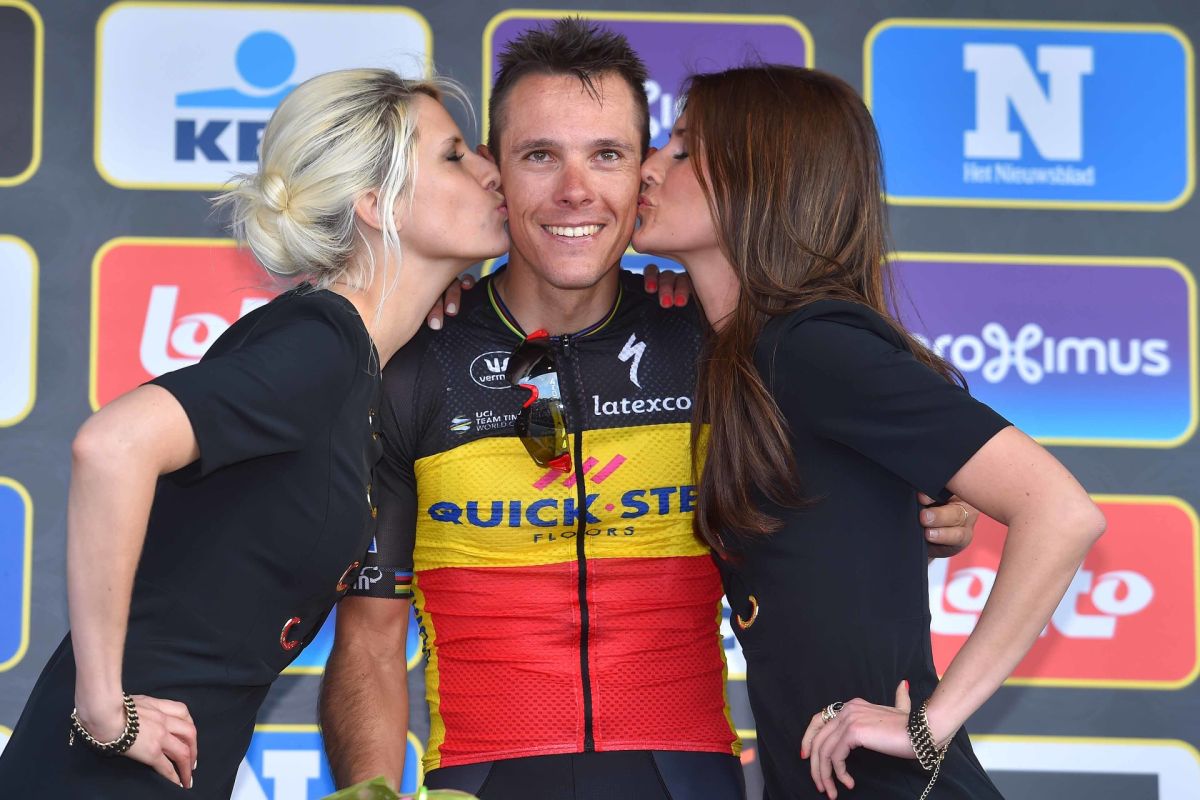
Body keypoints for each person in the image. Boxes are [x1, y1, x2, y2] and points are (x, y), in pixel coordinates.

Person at [320, 20, 979, 800]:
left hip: (685, 773)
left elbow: (877, 445)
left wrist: (931, 498)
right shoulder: (412, 365)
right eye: (540, 156)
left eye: (607, 155)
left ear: (645, 172)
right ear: (495, 173)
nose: (575, 190)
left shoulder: (722, 344)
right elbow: (369, 641)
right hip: (483, 774)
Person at [0, 68, 507, 798]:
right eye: (454, 156)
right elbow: (112, 446)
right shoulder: (322, 344)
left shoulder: (347, 360)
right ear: (376, 202)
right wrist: (105, 707)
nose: (490, 171)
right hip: (109, 770)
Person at [634, 64, 1106, 799]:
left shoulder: (810, 347)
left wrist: (929, 725)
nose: (649, 166)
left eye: (685, 149)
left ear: (764, 181)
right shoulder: (744, 355)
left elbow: (1062, 511)